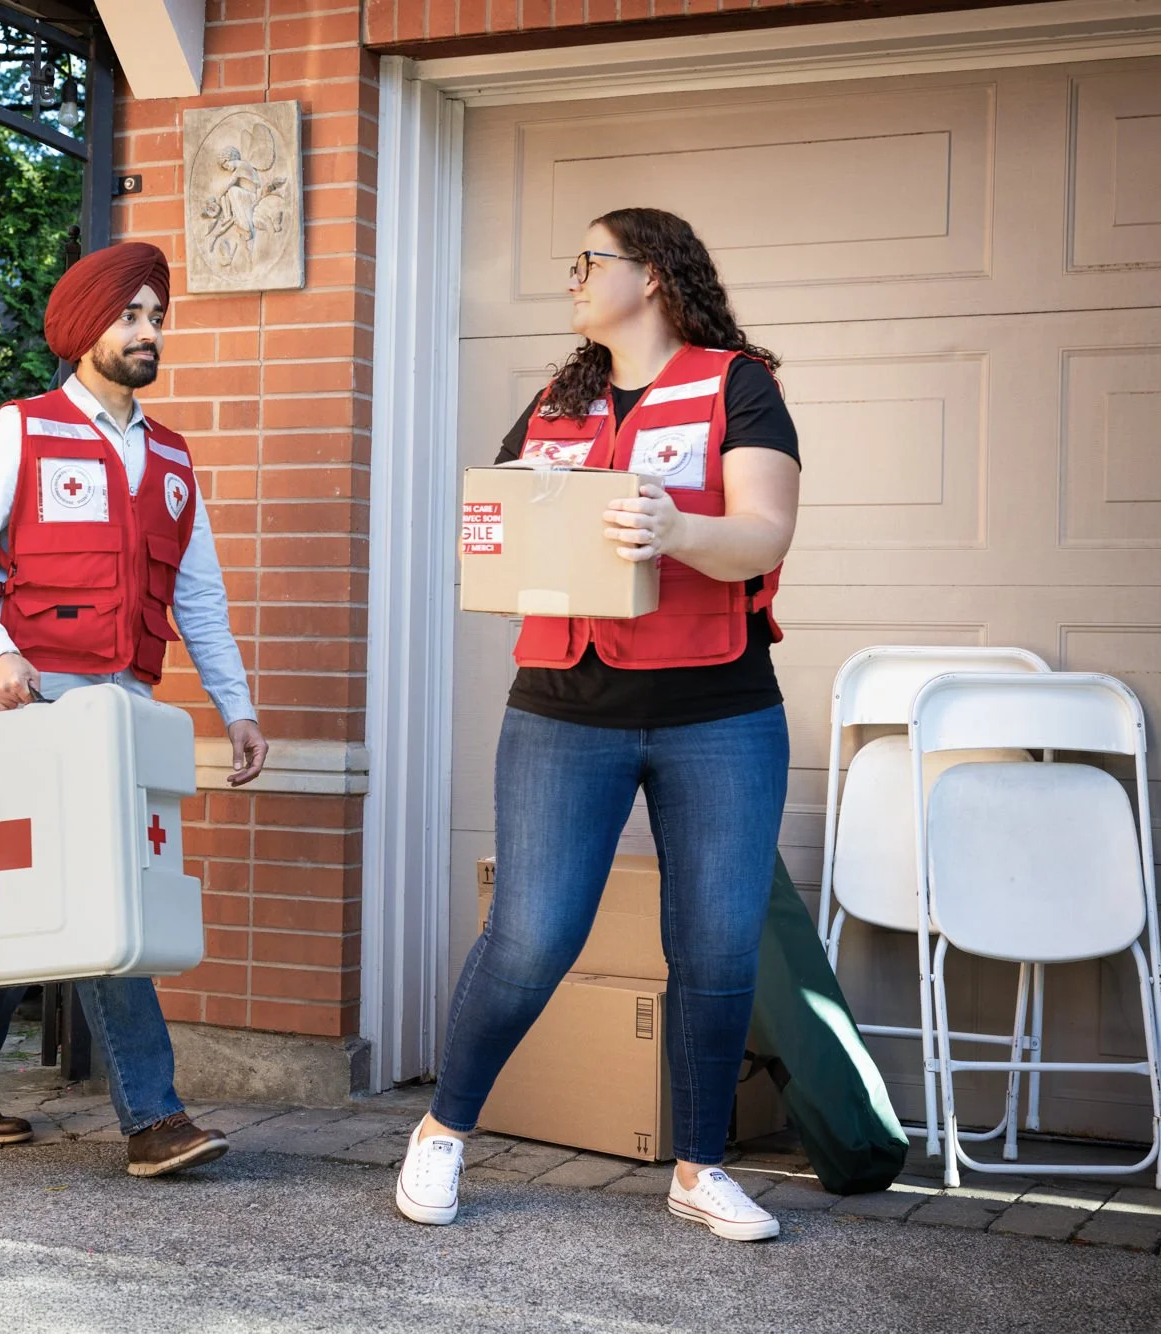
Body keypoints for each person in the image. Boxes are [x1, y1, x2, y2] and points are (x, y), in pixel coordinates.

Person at [395, 208, 802, 1241]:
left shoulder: (734, 384)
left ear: (655, 275)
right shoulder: (551, 402)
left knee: (713, 945)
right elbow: (488, 527)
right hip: (563, 709)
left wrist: (678, 527)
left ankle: (698, 1166)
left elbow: (762, 531)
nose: (572, 277)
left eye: (591, 260)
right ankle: (441, 1130)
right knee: (529, 935)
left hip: (718, 707)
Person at [0, 240, 269, 1178]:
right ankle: (154, 1117)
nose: (150, 332)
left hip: (127, 715)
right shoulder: (21, 432)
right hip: (39, 708)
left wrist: (237, 707)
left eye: (158, 316)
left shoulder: (174, 459)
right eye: (132, 316)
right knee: (104, 902)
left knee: (53, 901)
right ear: (85, 330)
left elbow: (198, 599)